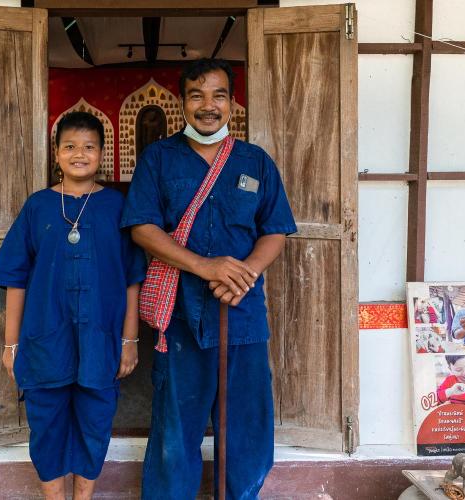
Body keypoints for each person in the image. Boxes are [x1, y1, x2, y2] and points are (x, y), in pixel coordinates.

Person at [121, 58, 297, 499]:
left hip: (243, 314)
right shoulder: (159, 158)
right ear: (182, 102)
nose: (208, 106)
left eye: (218, 95)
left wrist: (245, 273)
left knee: (246, 425)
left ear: (233, 103)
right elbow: (142, 227)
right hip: (182, 316)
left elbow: (275, 229)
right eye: (197, 95)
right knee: (175, 427)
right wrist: (205, 267)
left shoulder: (255, 161)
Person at [0, 112, 147, 500]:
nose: (80, 154)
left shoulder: (116, 207)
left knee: (95, 423)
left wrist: (129, 340)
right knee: (47, 426)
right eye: (70, 146)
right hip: (45, 342)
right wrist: (11, 345)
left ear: (102, 154)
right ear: (56, 154)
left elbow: (132, 279)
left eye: (89, 147)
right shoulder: (39, 206)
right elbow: (15, 278)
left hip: (101, 341)